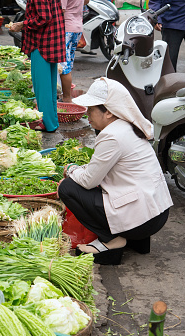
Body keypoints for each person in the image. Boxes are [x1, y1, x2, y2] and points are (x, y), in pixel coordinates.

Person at [58, 78, 173, 265]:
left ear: (109, 112)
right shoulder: (127, 126)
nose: (87, 114)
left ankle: (110, 240)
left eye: (91, 109)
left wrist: (71, 170)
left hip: (142, 219)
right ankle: (134, 238)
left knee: (68, 188)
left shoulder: (112, 136)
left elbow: (88, 181)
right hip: (156, 212)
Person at [8, 0, 65, 132]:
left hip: (42, 42)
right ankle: (51, 122)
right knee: (49, 87)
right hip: (50, 40)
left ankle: (47, 123)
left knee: (42, 88)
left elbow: (43, 18)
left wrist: (22, 24)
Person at [149, 0, 185, 74]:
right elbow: (155, 1)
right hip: (172, 21)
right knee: (170, 57)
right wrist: (156, 18)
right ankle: (169, 82)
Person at [60, 0, 87, 102]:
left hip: (66, 28)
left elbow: (61, 10)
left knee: (63, 66)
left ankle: (67, 98)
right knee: (68, 63)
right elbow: (86, 2)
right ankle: (64, 96)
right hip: (77, 27)